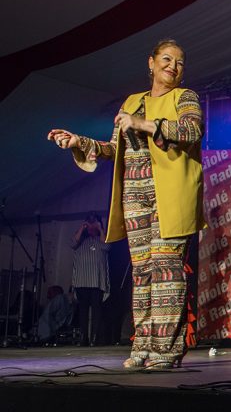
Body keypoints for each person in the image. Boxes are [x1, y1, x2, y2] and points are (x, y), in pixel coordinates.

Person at [48, 39, 205, 369]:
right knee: (143, 271)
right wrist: (80, 142)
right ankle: (143, 346)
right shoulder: (132, 102)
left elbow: (192, 130)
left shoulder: (184, 97)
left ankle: (165, 351)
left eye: (179, 62)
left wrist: (143, 124)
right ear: (151, 62)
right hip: (135, 194)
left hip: (171, 194)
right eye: (166, 59)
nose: (173, 66)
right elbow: (113, 148)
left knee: (166, 270)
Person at [70, 212, 110, 345]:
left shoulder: (101, 239)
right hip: (82, 281)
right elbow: (72, 243)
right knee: (83, 311)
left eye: (94, 222)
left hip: (97, 281)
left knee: (96, 312)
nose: (92, 225)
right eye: (90, 222)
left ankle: (94, 339)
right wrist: (83, 227)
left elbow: (107, 246)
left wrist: (100, 229)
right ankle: (83, 338)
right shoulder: (81, 240)